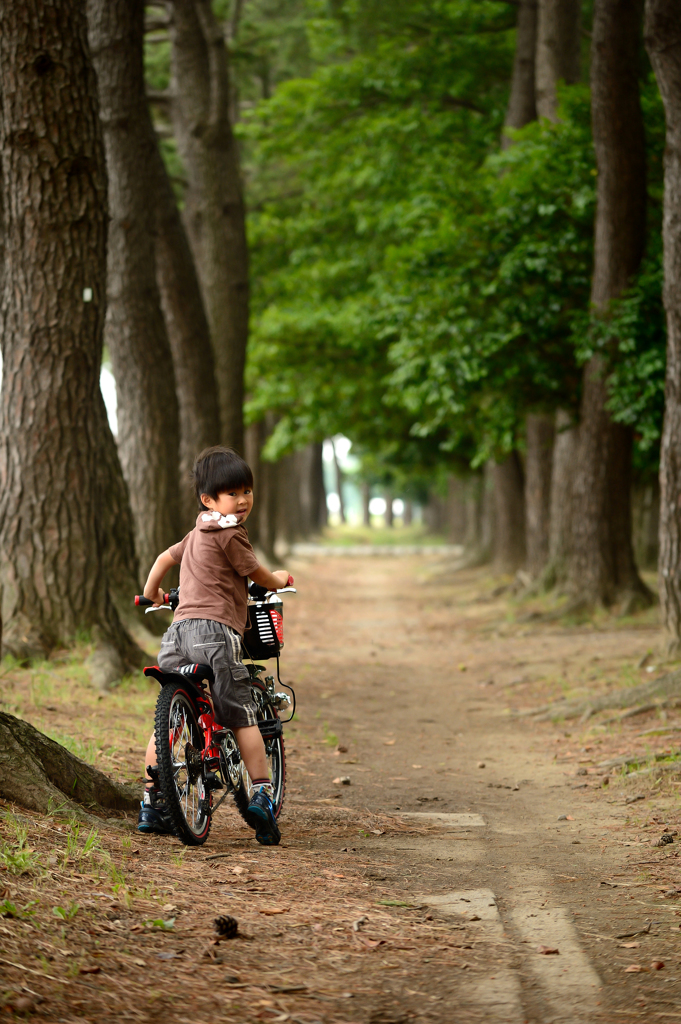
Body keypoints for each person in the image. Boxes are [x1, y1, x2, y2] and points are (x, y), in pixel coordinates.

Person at [137, 445, 292, 846]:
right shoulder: (230, 532)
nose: (242, 501)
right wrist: (278, 577)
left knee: (167, 718)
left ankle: (153, 799)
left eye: (247, 491)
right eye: (232, 494)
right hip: (215, 633)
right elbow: (253, 571)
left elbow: (162, 559)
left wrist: (152, 593)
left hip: (176, 633)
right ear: (209, 500)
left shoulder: (195, 533)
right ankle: (261, 791)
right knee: (240, 715)